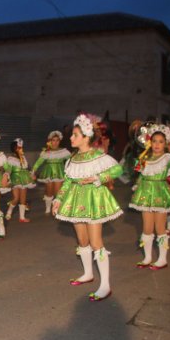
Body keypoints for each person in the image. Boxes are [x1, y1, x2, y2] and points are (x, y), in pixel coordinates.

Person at [52, 114, 123, 302]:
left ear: (86, 137)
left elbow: (117, 170)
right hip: (76, 201)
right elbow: (67, 181)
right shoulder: (72, 159)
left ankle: (105, 285)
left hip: (93, 200)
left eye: (75, 135)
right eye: (72, 135)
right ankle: (88, 274)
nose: (71, 138)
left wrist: (99, 178)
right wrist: (58, 199)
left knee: (96, 242)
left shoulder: (98, 155)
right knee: (82, 241)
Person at [129, 124, 170, 271]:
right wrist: (136, 187)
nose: (157, 144)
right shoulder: (145, 158)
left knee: (160, 227)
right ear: (150, 142)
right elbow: (141, 175)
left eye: (161, 141)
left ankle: (162, 259)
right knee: (147, 228)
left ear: (166, 144)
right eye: (155, 141)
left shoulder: (167, 157)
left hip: (160, 194)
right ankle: (148, 257)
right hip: (146, 194)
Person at [32, 131, 71, 214]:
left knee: (58, 192)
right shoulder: (46, 152)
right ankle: (48, 207)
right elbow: (38, 162)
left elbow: (72, 160)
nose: (55, 142)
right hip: (48, 173)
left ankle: (57, 209)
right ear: (50, 141)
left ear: (60, 141)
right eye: (53, 140)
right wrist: (33, 172)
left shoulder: (63, 151)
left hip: (59, 172)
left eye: (57, 140)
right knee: (49, 191)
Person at [5, 138, 35, 222]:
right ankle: (9, 211)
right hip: (15, 180)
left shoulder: (23, 158)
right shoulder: (11, 158)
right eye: (18, 147)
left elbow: (28, 168)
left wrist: (32, 174)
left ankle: (22, 217)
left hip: (24, 180)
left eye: (21, 147)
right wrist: (6, 178)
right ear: (14, 148)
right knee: (16, 198)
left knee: (23, 199)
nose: (19, 149)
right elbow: (8, 169)